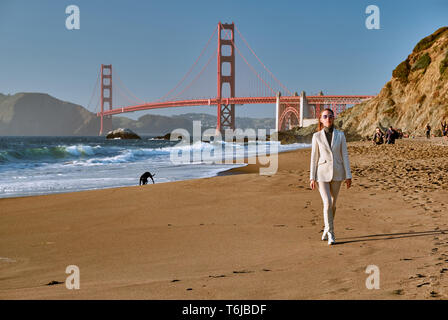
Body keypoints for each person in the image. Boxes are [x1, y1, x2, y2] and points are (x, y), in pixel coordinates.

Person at [309, 108, 352, 245]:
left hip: (338, 172)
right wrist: (312, 177)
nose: (328, 118)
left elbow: (345, 156)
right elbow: (314, 158)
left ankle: (326, 229)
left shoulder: (341, 135)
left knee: (333, 205)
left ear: (333, 118)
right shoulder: (316, 136)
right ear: (321, 119)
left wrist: (348, 175)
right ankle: (331, 234)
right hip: (321, 173)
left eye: (330, 116)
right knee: (327, 202)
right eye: (325, 116)